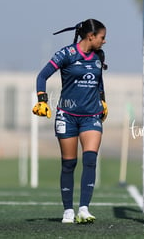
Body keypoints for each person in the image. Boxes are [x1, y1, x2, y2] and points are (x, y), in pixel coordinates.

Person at [32, 19, 108, 224]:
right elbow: (42, 76)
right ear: (90, 36)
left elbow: (98, 79)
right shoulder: (66, 54)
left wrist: (102, 99)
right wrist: (42, 100)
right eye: (102, 37)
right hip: (67, 115)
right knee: (69, 163)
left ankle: (84, 208)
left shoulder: (99, 55)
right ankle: (68, 210)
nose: (104, 41)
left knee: (90, 159)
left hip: (91, 116)